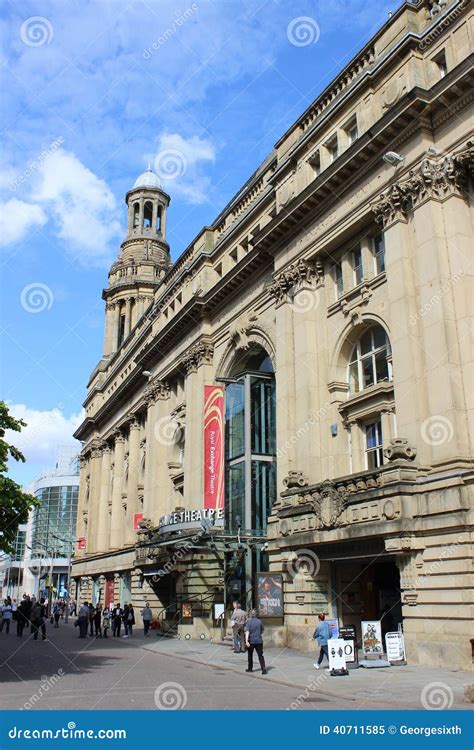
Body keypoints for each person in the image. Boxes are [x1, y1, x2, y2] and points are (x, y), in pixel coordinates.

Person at [244, 609, 267, 674]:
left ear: (250, 615)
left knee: (250, 655)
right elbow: (262, 630)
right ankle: (263, 668)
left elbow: (247, 632)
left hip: (251, 641)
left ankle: (250, 668)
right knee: (260, 655)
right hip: (259, 641)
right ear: (256, 614)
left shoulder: (248, 622)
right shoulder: (259, 621)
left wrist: (246, 641)